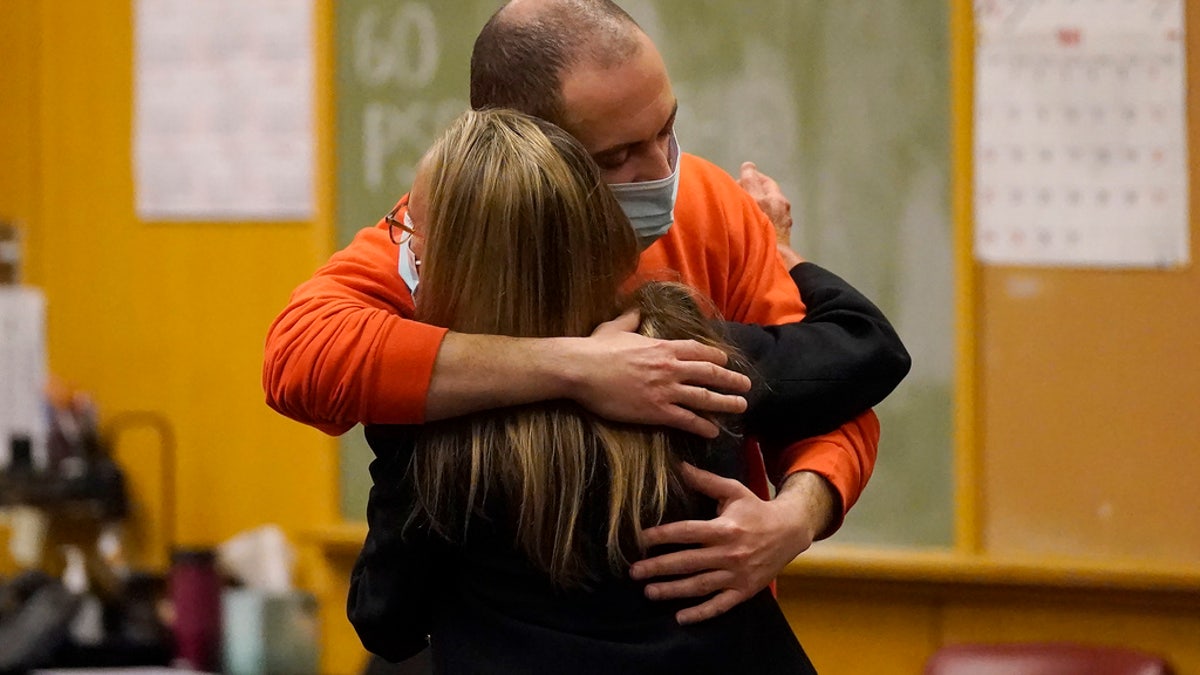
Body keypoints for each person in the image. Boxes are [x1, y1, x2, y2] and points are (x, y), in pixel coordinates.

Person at [263, 0, 910, 626]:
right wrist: (575, 367)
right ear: (527, 150)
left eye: (666, 130)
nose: (662, 173)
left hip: (708, 627)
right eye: (616, 157)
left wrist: (795, 516)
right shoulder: (451, 240)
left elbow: (831, 385)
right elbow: (302, 359)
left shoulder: (712, 206)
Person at [350, 107, 817, 674]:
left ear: (460, 261)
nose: (409, 251)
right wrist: (785, 258)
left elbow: (387, 623)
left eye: (414, 233)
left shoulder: (430, 412)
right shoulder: (680, 344)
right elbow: (868, 353)